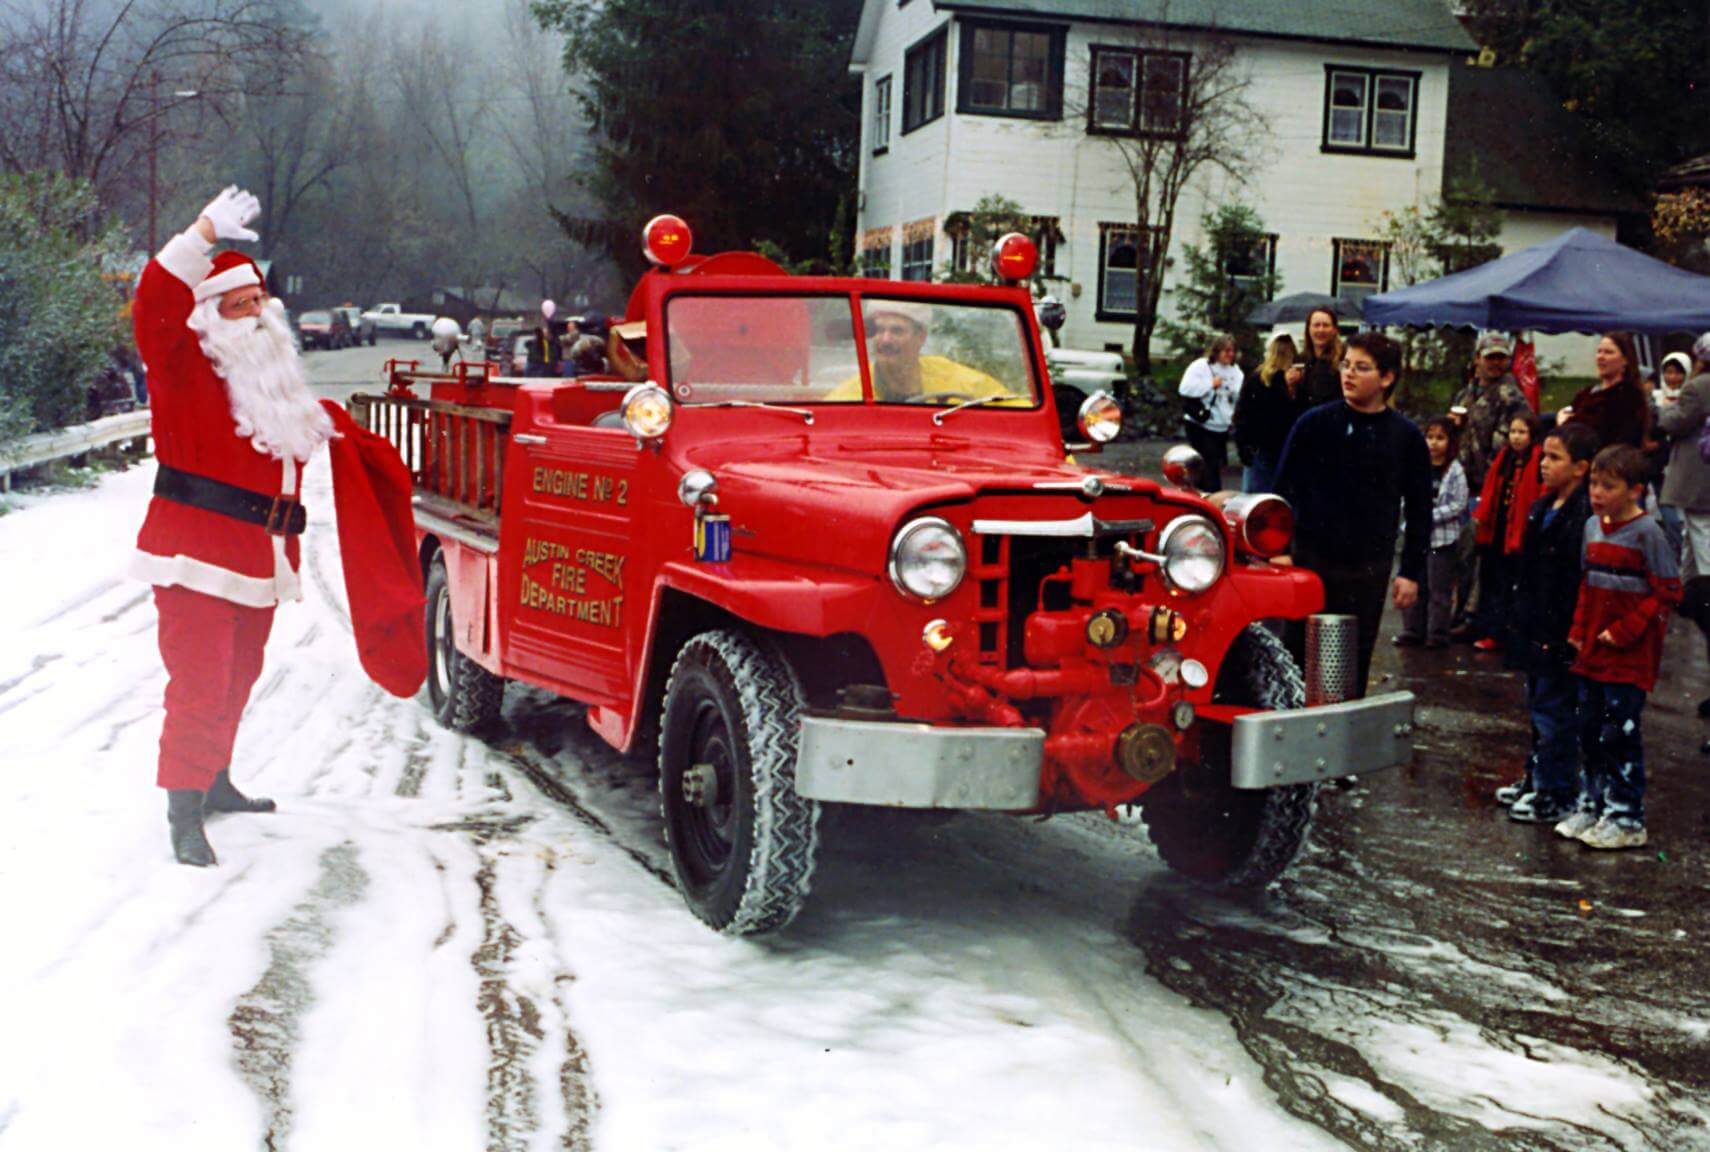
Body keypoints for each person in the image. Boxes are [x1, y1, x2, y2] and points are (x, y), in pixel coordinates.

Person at [133, 186, 423, 867]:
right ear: (208, 318)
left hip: (260, 562)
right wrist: (203, 233)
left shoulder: (277, 388)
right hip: (193, 558)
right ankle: (183, 808)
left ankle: (215, 779)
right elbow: (152, 306)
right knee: (200, 684)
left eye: (260, 303)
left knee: (238, 678)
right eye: (239, 307)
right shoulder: (182, 372)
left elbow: (299, 436)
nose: (256, 316)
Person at [1274, 331, 1432, 697]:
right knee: (1296, 654)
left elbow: (1421, 510)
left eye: (1362, 368)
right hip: (1309, 560)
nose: (1349, 374)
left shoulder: (1406, 437)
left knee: (1352, 661)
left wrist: (1411, 572)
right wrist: (1278, 549)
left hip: (1367, 568)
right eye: (1347, 365)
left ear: (1387, 377)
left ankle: (1341, 738)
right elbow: (1282, 493)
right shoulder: (1314, 424)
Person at [1555, 444, 1681, 850]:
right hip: (1592, 651)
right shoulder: (1592, 527)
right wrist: (1577, 632)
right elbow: (1585, 585)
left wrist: (1626, 630)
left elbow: (1668, 591)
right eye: (1593, 483)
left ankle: (1627, 815)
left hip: (1629, 655)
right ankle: (1591, 804)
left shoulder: (1649, 533)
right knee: (1588, 728)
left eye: (1608, 486)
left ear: (1635, 490)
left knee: (1619, 732)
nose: (1597, 493)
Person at [1497, 422, 1597, 824]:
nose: (1544, 465)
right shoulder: (1542, 508)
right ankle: (1536, 778)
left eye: (1555, 458)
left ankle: (1557, 790)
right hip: (1535, 623)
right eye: (1544, 457)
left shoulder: (1582, 515)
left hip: (1560, 627)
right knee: (1538, 706)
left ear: (1580, 468)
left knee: (1556, 711)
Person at [1446, 331, 1532, 641]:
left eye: (1501, 358)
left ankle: (1472, 617)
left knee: (1479, 555)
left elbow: (1512, 443)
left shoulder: (1510, 396)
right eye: (1490, 357)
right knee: (1460, 553)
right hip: (1461, 484)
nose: (1496, 363)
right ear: (1477, 359)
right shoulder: (1465, 394)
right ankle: (1455, 613)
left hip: (1489, 488)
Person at [1654, 334, 1710, 722]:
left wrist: (1662, 409)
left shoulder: (1699, 387)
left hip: (1696, 482)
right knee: (1693, 545)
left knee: (1700, 544)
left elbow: (1674, 421)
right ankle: (1691, 593)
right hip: (1702, 483)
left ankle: (1698, 593)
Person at [826, 301, 1011, 401]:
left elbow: (1013, 405)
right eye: (879, 331)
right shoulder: (849, 395)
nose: (885, 340)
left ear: (920, 337)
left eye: (897, 331)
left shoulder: (952, 377)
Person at [1468, 413, 1543, 650]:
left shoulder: (1537, 459)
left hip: (1519, 531)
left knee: (1509, 584)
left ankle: (1503, 633)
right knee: (1491, 580)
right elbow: (1491, 489)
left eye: (1522, 432)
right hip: (1498, 528)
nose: (1516, 437)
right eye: (1513, 432)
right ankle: (1489, 629)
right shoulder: (1504, 458)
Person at [1395, 415, 1466, 648]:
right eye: (1430, 437)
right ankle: (1412, 629)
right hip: (1418, 537)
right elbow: (1406, 496)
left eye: (1440, 438)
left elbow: (1458, 504)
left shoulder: (1455, 470)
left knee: (1439, 590)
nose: (1434, 443)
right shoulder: (1417, 465)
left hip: (1442, 539)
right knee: (1415, 583)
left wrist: (1429, 517)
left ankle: (1437, 633)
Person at [1232, 332, 1299, 493]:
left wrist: (1243, 445)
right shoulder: (1292, 380)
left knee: (1255, 497)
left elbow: (1242, 414)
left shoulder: (1257, 377)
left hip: (1259, 446)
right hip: (1281, 447)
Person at [1558, 332, 1647, 450]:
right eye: (1599, 351)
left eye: (1608, 352)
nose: (1601, 356)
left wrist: (1563, 422)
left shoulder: (1627, 397)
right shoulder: (1586, 393)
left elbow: (1589, 434)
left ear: (1625, 360)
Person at [1177, 334, 1242, 491]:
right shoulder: (1201, 366)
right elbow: (1184, 389)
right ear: (1217, 351)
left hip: (1221, 425)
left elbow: (1238, 395)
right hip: (1200, 423)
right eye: (1226, 351)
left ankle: (1201, 492)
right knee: (1209, 465)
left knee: (1214, 464)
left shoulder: (1236, 372)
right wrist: (1210, 384)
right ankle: (1210, 495)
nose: (1230, 354)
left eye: (1233, 351)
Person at [1287, 307, 1342, 410]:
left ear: (1334, 330)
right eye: (1316, 325)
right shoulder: (1300, 360)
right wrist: (1290, 385)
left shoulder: (1342, 359)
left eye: (1326, 325)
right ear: (1308, 329)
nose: (1320, 330)